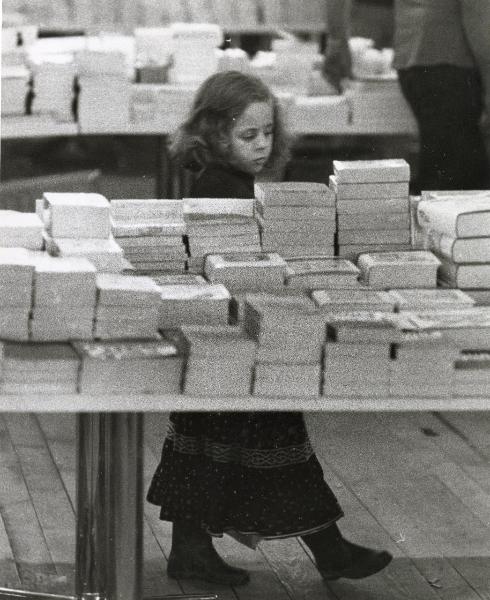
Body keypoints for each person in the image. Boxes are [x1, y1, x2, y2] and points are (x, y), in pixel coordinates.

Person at [146, 70, 392, 587]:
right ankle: (327, 549)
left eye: (267, 133)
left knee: (212, 445)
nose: (262, 146)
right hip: (235, 336)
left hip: (228, 339)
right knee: (263, 439)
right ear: (215, 134)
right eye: (247, 135)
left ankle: (206, 548)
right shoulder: (222, 188)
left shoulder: (230, 181)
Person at [322, 0, 490, 193]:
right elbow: (480, 19)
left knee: (447, 174)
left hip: (416, 62)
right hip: (450, 62)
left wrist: (336, 40)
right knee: (460, 182)